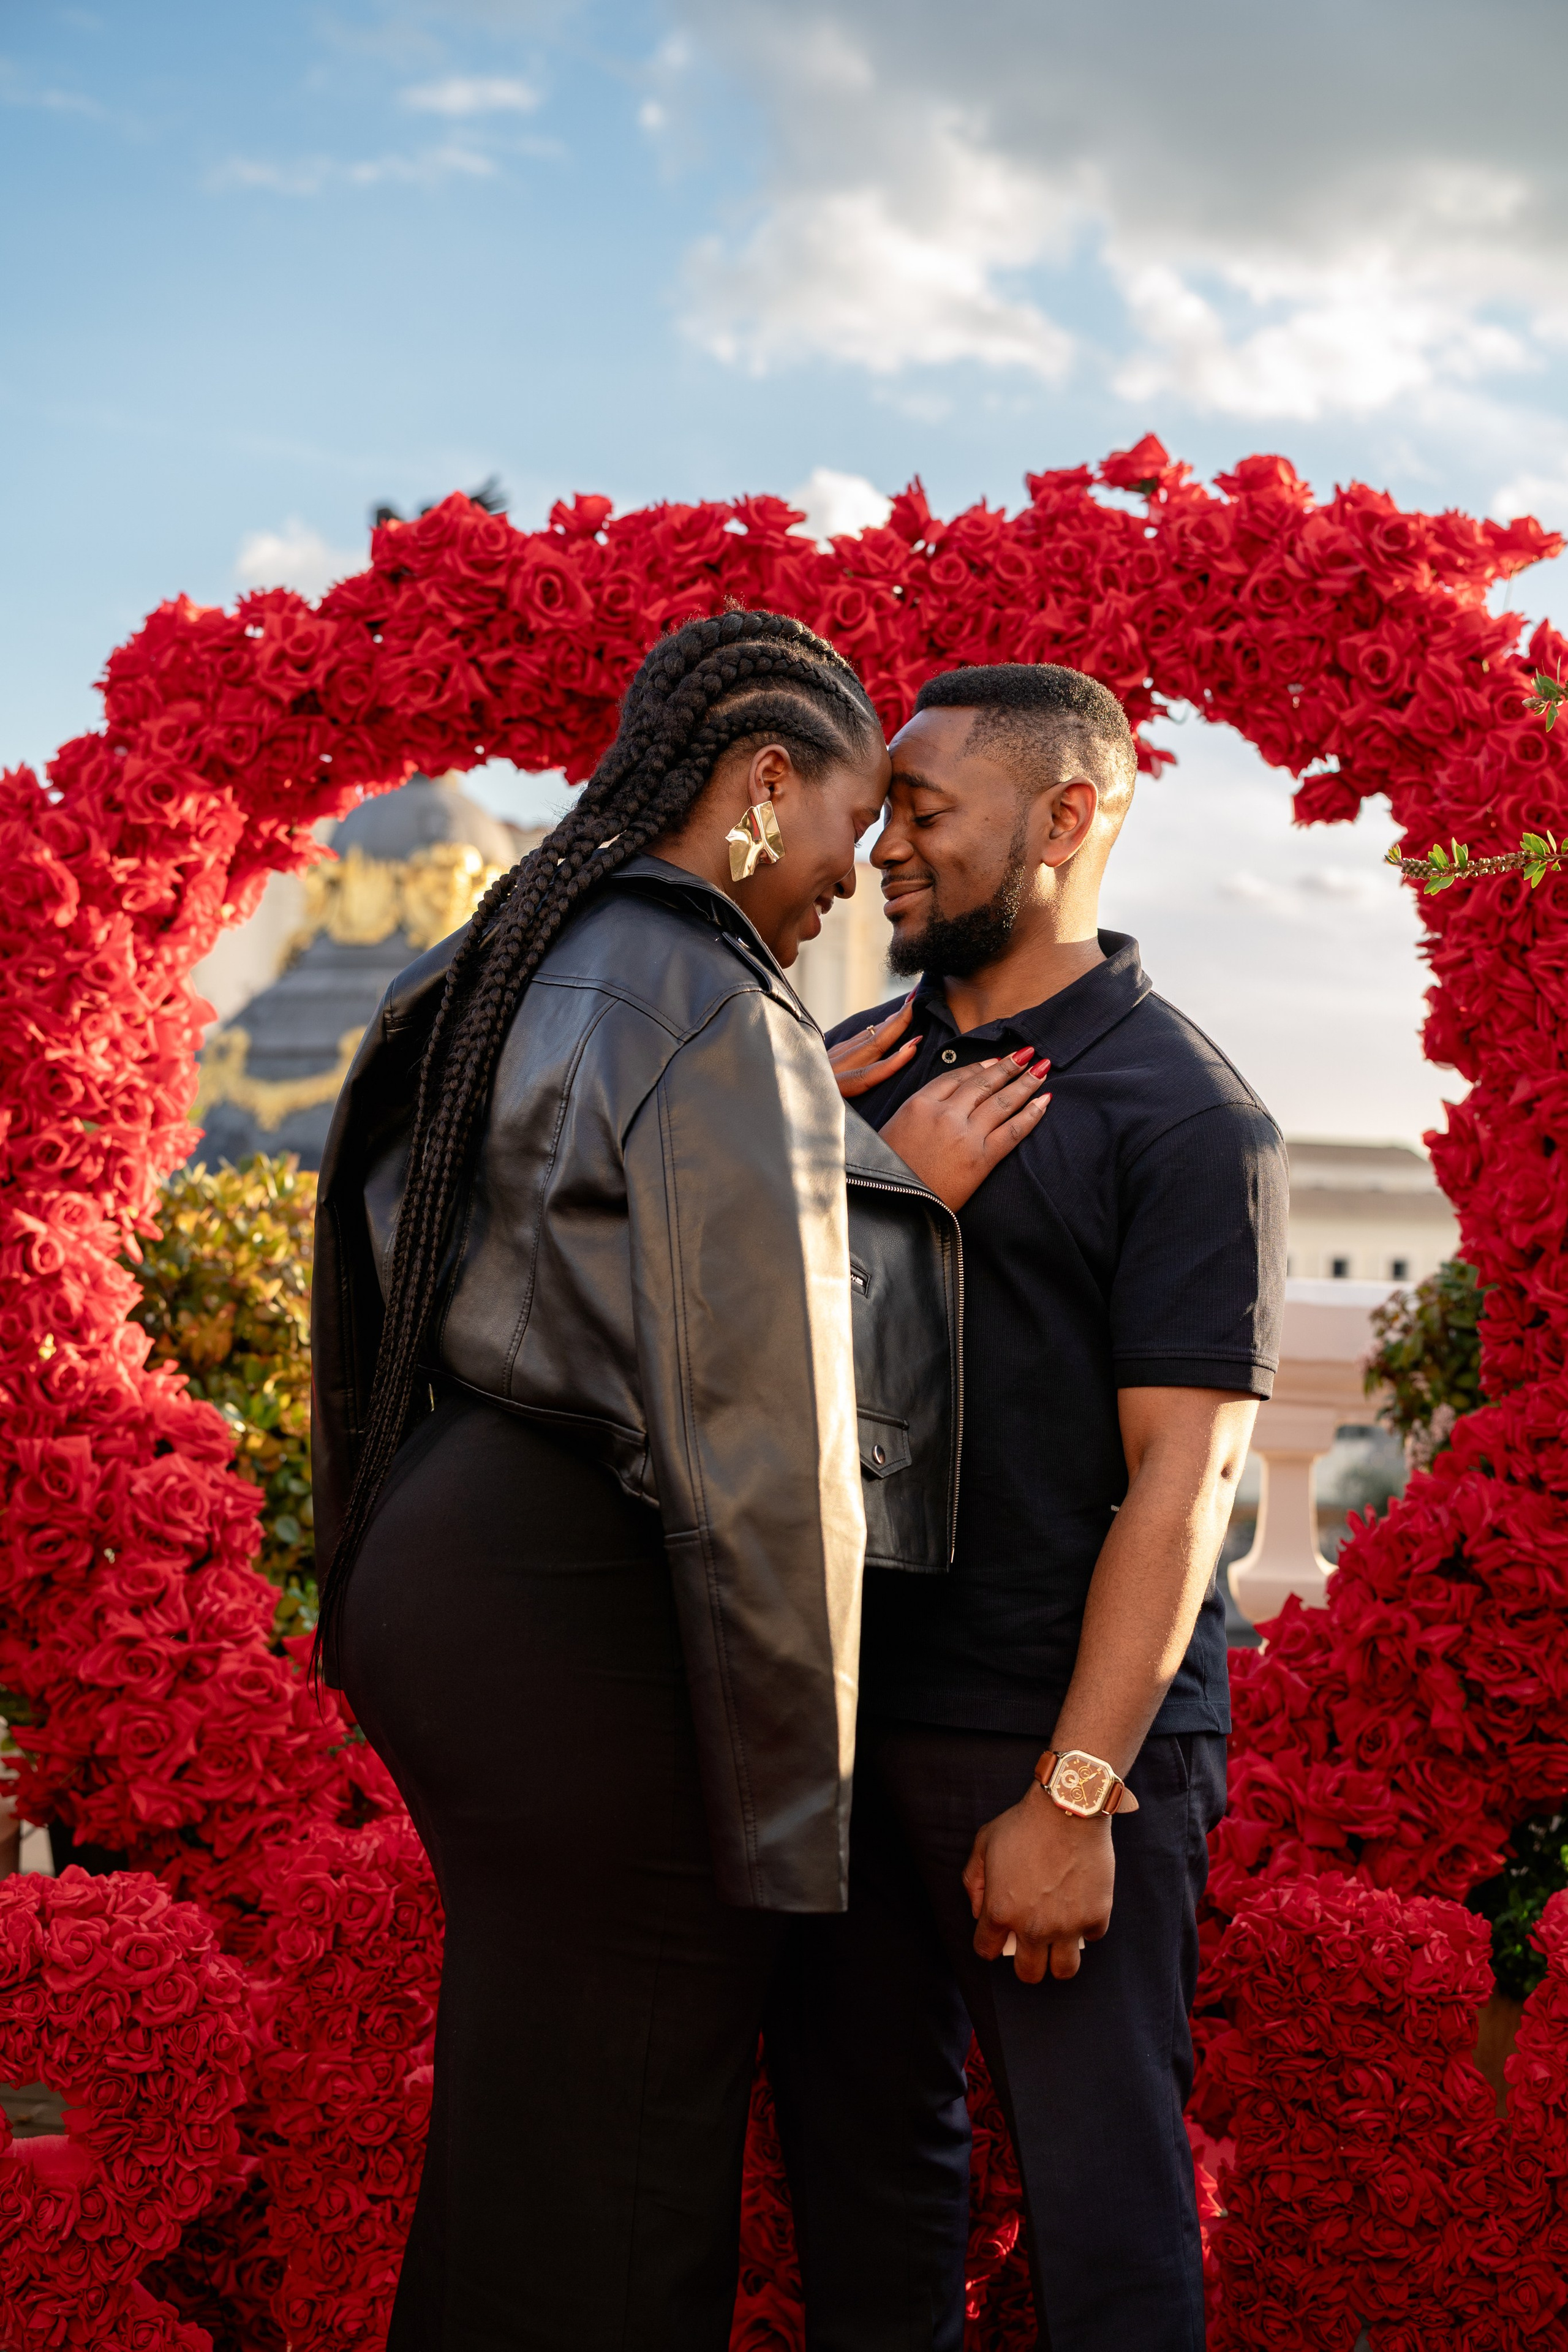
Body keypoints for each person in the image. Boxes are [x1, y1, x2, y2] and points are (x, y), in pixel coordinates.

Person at [308, 609, 1049, 2352]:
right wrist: (800, 1828)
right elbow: (754, 1431)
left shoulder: (527, 949)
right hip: (582, 1605)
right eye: (846, 829)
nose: (849, 881)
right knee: (634, 2152)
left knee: (537, 2119)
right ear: (764, 784)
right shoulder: (704, 994)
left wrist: (804, 1149)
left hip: (454, 1558)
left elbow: (522, 1262)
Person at [768, 662, 1289, 2352]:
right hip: (845, 1733)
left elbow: (1190, 1478)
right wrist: (821, 1163)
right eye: (884, 815)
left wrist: (1076, 1796)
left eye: (923, 813)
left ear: (1067, 817)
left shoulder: (1186, 1113)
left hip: (1056, 1743)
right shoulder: (844, 1072)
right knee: (862, 2198)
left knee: (1101, 2211)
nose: (882, 850)